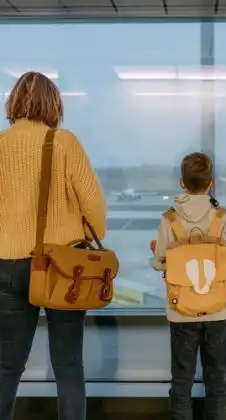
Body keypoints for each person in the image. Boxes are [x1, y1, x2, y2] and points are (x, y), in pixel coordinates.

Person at [0, 72, 106, 420]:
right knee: (68, 362)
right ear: (53, 103)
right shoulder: (63, 142)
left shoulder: (1, 144)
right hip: (63, 265)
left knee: (6, 365)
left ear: (14, 101)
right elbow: (92, 202)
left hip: (8, 264)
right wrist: (92, 236)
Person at [151, 152, 226, 420]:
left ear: (182, 183)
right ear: (211, 182)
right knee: (217, 383)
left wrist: (163, 255)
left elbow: (159, 264)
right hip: (217, 312)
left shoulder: (169, 218)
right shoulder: (223, 218)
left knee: (182, 383)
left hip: (181, 312)